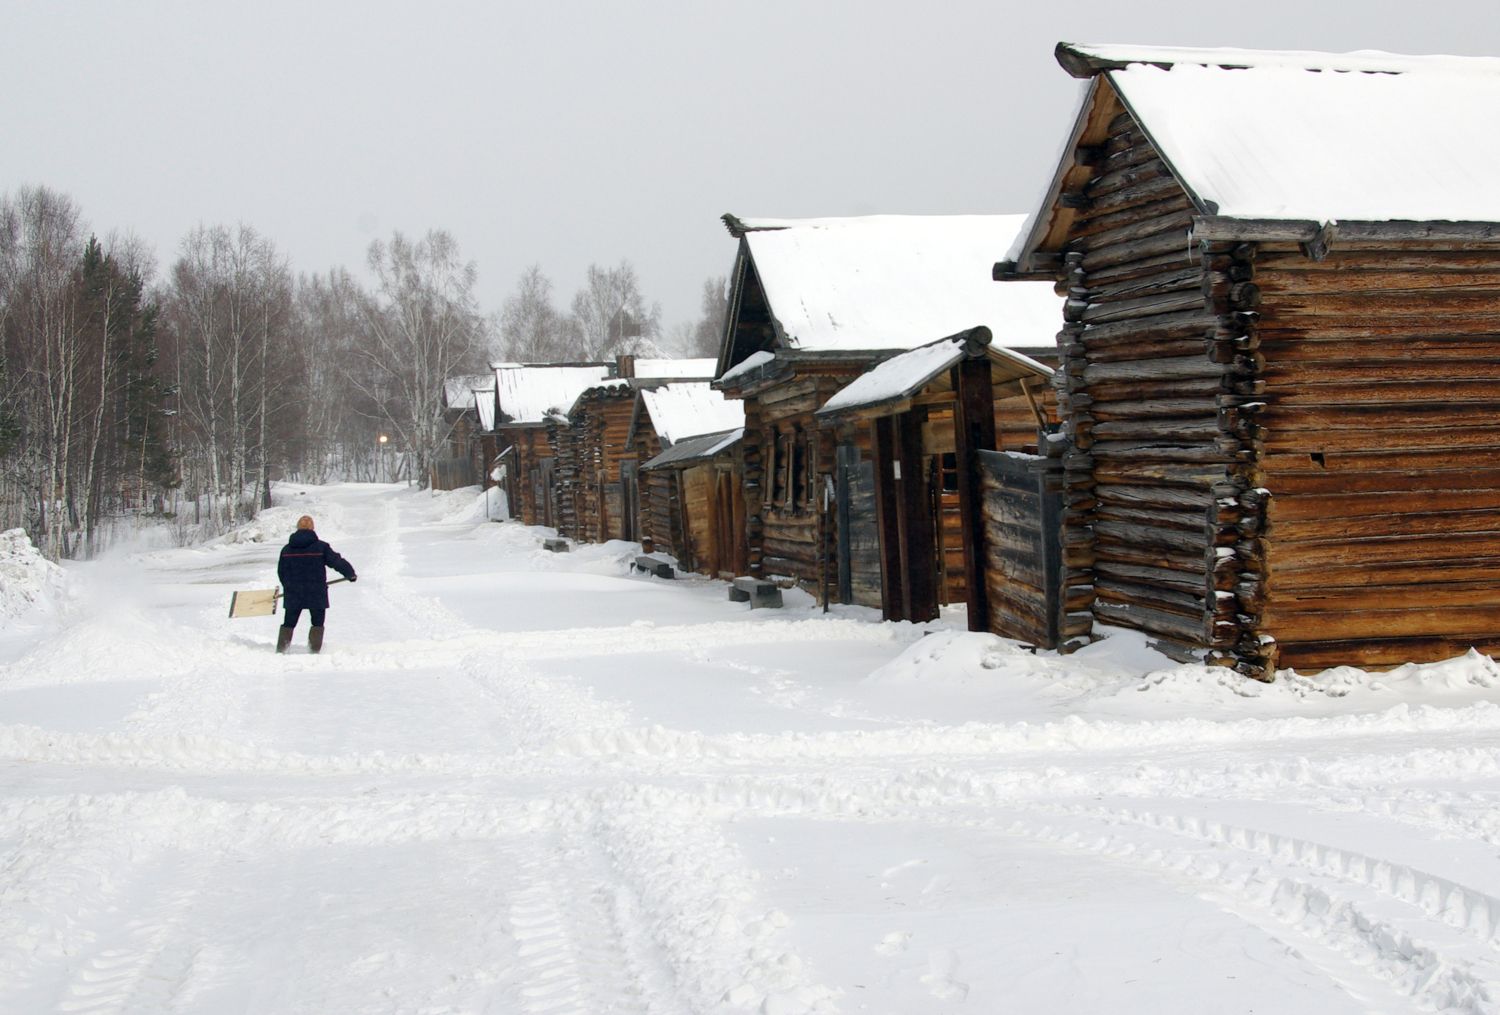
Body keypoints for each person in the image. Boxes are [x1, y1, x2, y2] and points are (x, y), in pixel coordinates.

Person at [276, 515, 357, 654]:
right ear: (312, 528)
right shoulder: (321, 547)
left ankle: (282, 650)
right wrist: (349, 573)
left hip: (294, 592)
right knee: (317, 623)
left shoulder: (287, 550)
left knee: (289, 622)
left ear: (298, 527)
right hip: (316, 591)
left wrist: (289, 586)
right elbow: (336, 562)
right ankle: (314, 651)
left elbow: (281, 572)